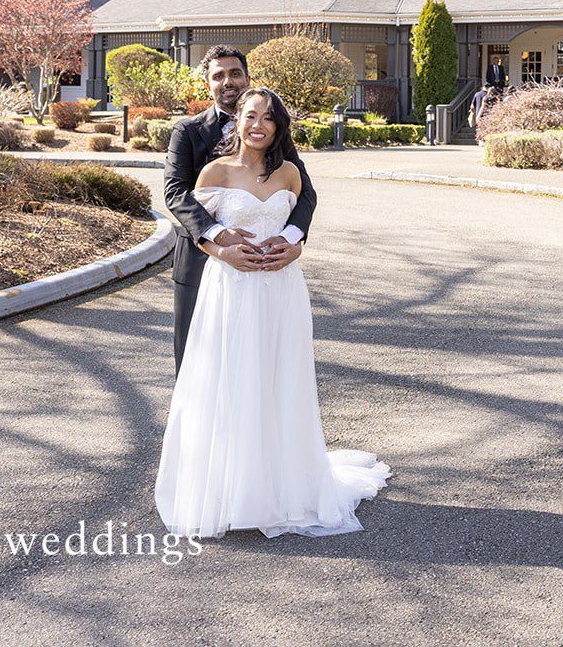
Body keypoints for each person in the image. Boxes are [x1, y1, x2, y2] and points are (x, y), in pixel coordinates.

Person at [156, 87, 390, 538]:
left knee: (278, 380)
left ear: (279, 125)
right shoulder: (215, 171)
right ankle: (228, 489)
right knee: (231, 379)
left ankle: (280, 485)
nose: (258, 125)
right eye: (250, 116)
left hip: (281, 291)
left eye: (267, 117)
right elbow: (191, 226)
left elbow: (301, 213)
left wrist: (295, 244)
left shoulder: (289, 173)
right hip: (230, 290)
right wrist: (221, 250)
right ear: (237, 121)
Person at [162, 45, 316, 372]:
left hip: (266, 270)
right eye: (218, 76)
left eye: (235, 73)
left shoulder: (272, 130)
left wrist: (292, 239)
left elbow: (305, 193)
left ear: (247, 78)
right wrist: (219, 236)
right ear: (208, 83)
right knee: (196, 364)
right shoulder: (187, 131)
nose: (227, 81)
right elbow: (176, 193)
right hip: (200, 265)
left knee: (262, 362)